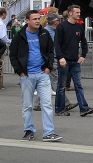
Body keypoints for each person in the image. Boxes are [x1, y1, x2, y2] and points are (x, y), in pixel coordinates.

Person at [9, 10, 62, 142]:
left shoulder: (44, 33)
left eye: (39, 18)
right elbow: (13, 55)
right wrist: (19, 71)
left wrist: (48, 67)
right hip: (26, 76)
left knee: (47, 104)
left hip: (43, 74)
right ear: (27, 21)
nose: (38, 21)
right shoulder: (20, 35)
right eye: (34, 19)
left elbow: (50, 51)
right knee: (27, 105)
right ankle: (29, 131)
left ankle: (49, 133)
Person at [55, 5, 93, 117]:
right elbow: (57, 44)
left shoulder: (79, 27)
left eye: (79, 12)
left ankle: (84, 108)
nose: (79, 14)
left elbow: (84, 42)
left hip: (75, 62)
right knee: (61, 86)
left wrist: (83, 55)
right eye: (77, 12)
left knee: (78, 85)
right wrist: (60, 57)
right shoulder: (61, 27)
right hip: (64, 62)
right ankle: (59, 109)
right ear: (70, 13)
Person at [34, 12, 77, 112]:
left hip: (50, 60)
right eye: (58, 20)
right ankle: (65, 103)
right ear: (54, 21)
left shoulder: (51, 30)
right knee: (57, 82)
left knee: (45, 82)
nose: (60, 21)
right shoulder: (49, 32)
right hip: (51, 60)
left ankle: (37, 104)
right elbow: (52, 47)